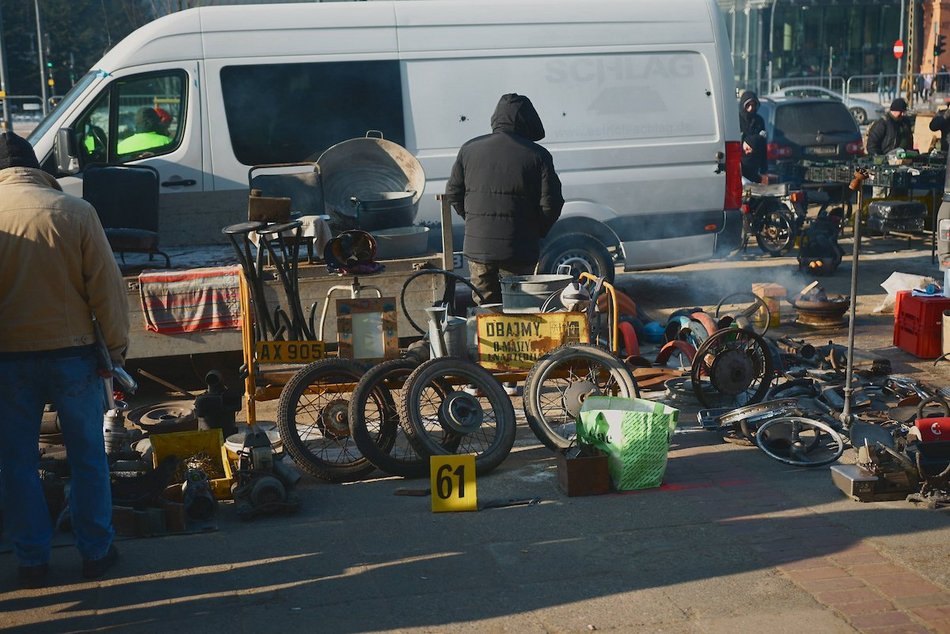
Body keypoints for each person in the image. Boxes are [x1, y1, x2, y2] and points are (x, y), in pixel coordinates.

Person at [0, 131, 130, 588]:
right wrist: (114, 350)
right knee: (88, 456)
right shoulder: (76, 212)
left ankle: (32, 561)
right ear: (36, 167)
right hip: (73, 354)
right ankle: (96, 551)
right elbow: (107, 290)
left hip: (9, 361)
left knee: (16, 462)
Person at [445, 93, 564, 306]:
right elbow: (552, 204)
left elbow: (453, 193)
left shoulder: (469, 149)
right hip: (519, 248)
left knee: (487, 311)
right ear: (529, 121)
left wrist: (475, 221)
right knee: (519, 309)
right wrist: (536, 231)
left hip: (478, 246)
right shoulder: (538, 155)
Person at [738, 90, 767, 183]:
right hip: (740, 167)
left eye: (753, 105)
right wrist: (744, 143)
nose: (751, 108)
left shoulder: (759, 121)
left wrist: (764, 170)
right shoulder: (737, 120)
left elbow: (763, 145)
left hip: (755, 166)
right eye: (748, 105)